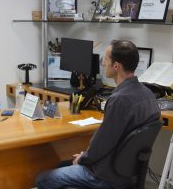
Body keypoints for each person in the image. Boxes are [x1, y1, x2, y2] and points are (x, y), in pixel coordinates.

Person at [36, 40, 161, 189]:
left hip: (105, 177)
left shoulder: (119, 99)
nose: (102, 64)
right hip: (129, 174)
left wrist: (83, 158)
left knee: (43, 179)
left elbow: (103, 143)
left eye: (105, 60)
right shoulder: (149, 95)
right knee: (63, 164)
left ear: (116, 66)